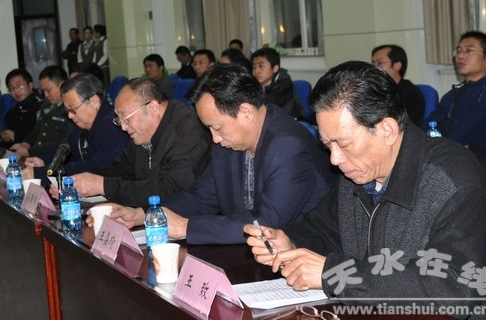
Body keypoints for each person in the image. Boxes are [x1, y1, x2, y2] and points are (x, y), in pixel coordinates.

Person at [244, 61, 486, 316]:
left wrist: (336, 274)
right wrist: (291, 241)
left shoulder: (453, 182)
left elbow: (453, 287)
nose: (334, 159)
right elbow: (324, 229)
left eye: (344, 144)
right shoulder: (357, 174)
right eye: (328, 145)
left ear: (387, 130)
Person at [108, 64, 337, 245]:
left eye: (216, 127)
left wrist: (186, 228)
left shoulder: (288, 146)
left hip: (304, 256)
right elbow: (200, 198)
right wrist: (145, 214)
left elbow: (267, 222)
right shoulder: (229, 143)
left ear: (245, 112)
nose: (214, 138)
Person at [51, 78, 211, 207]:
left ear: (153, 107)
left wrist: (104, 186)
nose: (123, 127)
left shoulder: (187, 129)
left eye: (125, 118)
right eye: (119, 119)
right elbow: (121, 169)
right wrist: (78, 182)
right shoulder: (141, 133)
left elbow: (171, 188)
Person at [24, 73, 129, 184]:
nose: (70, 116)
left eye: (73, 109)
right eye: (67, 111)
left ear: (94, 102)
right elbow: (67, 150)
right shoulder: (83, 124)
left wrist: (40, 173)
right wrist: (43, 161)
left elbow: (95, 166)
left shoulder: (113, 126)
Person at [426, 31, 486, 150]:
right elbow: (427, 125)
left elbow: (456, 136)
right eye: (459, 51)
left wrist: (437, 130)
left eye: (469, 50)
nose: (461, 56)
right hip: (449, 153)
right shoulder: (453, 93)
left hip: (482, 159)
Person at [10, 66, 72, 159]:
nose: (45, 95)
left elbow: (63, 140)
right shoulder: (46, 105)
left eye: (48, 90)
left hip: (55, 158)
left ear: (62, 86)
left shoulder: (70, 108)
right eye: (43, 91)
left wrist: (30, 152)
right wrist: (25, 144)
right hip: (36, 156)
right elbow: (37, 130)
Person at [371, 44, 424, 127]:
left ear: (397, 65)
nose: (374, 68)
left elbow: (407, 126)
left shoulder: (411, 93)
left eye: (380, 63)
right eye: (373, 63)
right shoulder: (374, 90)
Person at [251, 47, 303, 120]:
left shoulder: (284, 85)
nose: (256, 71)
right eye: (253, 66)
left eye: (261, 66)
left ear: (275, 68)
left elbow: (271, 112)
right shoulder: (254, 83)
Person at [1, 68, 42, 147]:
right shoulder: (12, 113)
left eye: (19, 86)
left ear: (30, 85)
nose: (16, 91)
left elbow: (40, 136)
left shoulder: (41, 107)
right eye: (11, 88)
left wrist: (15, 136)